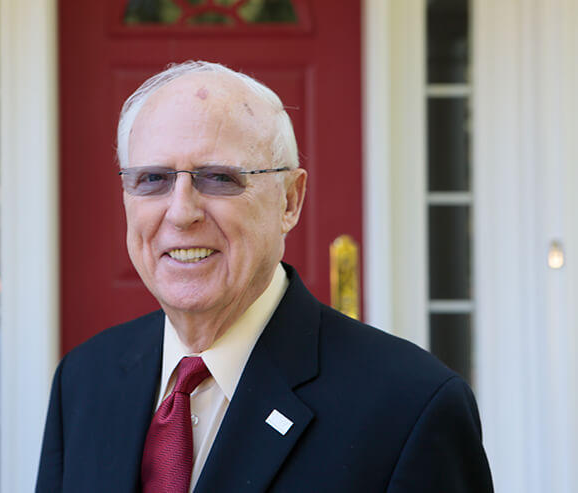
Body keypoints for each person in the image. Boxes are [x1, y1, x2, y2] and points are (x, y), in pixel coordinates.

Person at [35, 61, 493, 493]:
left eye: (218, 178)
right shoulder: (84, 380)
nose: (181, 211)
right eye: (152, 179)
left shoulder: (410, 407)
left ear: (289, 201)